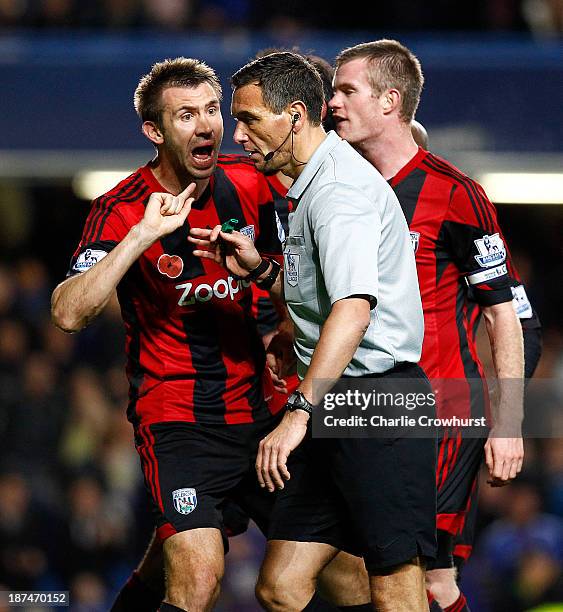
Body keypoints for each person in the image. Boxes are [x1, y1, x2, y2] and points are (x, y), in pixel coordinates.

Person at [189, 51, 437, 611]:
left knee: (397, 582)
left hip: (377, 402)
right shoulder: (308, 187)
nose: (238, 134)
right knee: (281, 587)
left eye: (250, 119)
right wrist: (259, 271)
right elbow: (323, 299)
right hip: (335, 401)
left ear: (295, 116)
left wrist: (297, 414)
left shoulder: (337, 195)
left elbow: (352, 310)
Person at [51, 56, 289, 612]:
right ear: (155, 132)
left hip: (264, 417)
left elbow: (299, 288)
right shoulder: (120, 208)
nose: (206, 125)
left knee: (342, 571)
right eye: (187, 115)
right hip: (179, 422)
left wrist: (271, 299)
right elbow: (68, 312)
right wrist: (140, 237)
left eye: (212, 110)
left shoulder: (253, 183)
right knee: (200, 572)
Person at [330, 39, 526, 612]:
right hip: (360, 405)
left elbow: (502, 312)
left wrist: (509, 422)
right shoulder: (340, 194)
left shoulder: (456, 194)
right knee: (344, 569)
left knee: (424, 578)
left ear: (390, 101)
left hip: (440, 408)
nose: (333, 103)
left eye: (347, 91)